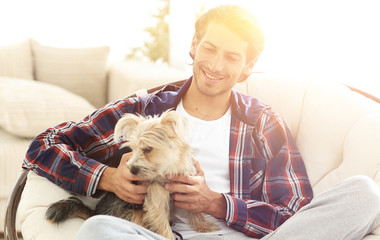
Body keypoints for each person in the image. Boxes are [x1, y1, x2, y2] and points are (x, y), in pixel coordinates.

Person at [23, 5, 380, 240]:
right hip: (161, 236)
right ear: (194, 45)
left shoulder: (262, 123)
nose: (216, 65)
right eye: (209, 48)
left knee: (365, 192)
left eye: (232, 57)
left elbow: (295, 212)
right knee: (99, 229)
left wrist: (216, 203)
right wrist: (108, 177)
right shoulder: (146, 108)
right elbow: (44, 146)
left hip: (241, 237)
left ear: (248, 67)